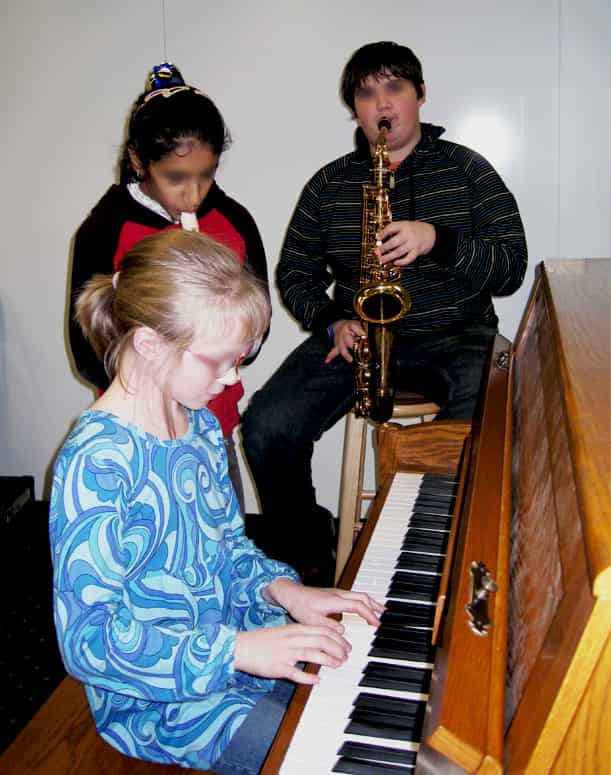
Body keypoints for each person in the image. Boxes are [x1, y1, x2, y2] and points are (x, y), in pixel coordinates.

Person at [50, 230, 382, 774]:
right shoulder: (97, 464)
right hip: (158, 704)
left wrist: (285, 591)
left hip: (236, 646)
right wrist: (236, 651)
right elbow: (89, 641)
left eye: (241, 359)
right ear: (150, 345)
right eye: (221, 361)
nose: (233, 379)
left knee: (353, 704)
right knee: (322, 755)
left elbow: (227, 547)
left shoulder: (198, 424)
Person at [241, 41, 528, 586]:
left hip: (460, 335)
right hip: (360, 335)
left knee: (473, 434)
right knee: (266, 427)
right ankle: (308, 554)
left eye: (394, 88)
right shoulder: (328, 185)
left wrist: (438, 240)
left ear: (420, 95)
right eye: (367, 93)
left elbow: (511, 266)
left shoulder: (469, 171)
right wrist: (331, 320)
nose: (382, 105)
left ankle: (435, 561)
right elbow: (294, 274)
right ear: (355, 106)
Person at [68, 61, 268, 511]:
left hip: (214, 428)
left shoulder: (234, 221)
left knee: (222, 542)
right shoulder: (105, 230)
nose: (194, 194)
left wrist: (224, 351)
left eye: (207, 174)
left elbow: (258, 322)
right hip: (139, 436)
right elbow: (86, 347)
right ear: (140, 161)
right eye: (176, 178)